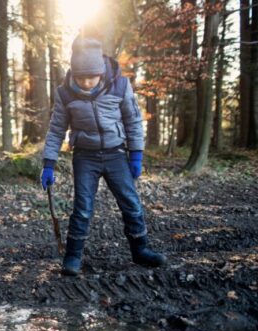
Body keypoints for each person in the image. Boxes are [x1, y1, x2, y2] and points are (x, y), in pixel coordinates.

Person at [40, 36, 166, 276]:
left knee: (130, 202)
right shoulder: (65, 93)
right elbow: (56, 129)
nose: (87, 82)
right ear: (73, 73)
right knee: (83, 207)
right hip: (85, 157)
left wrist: (136, 154)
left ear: (101, 71)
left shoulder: (119, 85)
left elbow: (132, 120)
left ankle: (141, 249)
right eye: (81, 77)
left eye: (92, 77)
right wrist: (49, 163)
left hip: (116, 153)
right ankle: (73, 256)